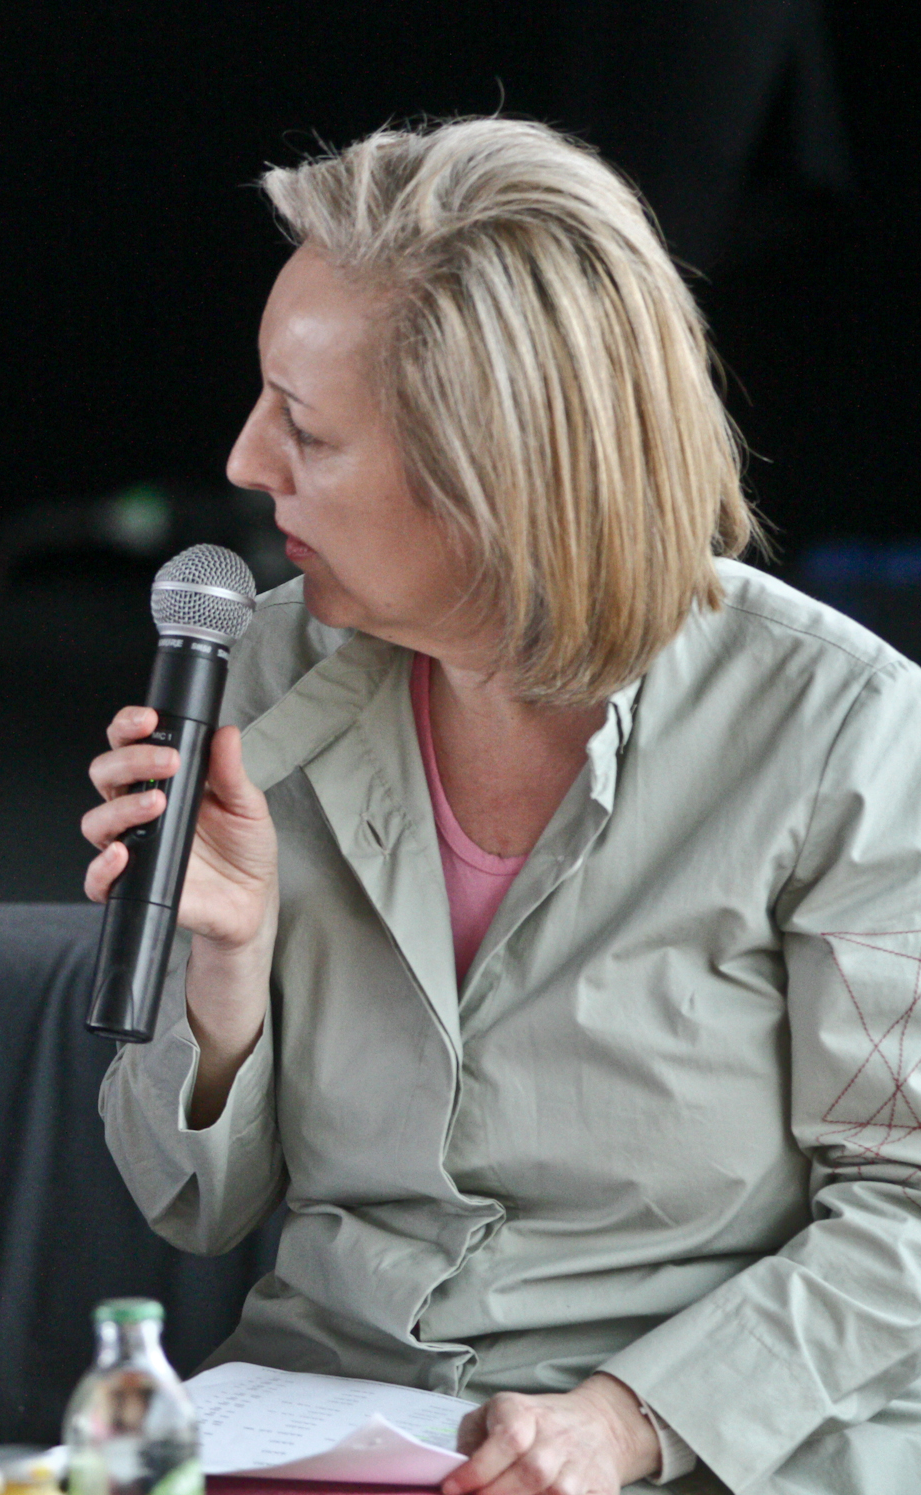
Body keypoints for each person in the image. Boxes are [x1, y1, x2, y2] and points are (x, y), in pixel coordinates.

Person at [85, 119, 921, 1495]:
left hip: (715, 1457)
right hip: (338, 1427)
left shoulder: (843, 733)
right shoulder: (261, 678)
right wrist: (221, 970)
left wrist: (626, 1420)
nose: (244, 463)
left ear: (497, 473)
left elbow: (900, 1212)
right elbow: (195, 1205)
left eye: (305, 430)